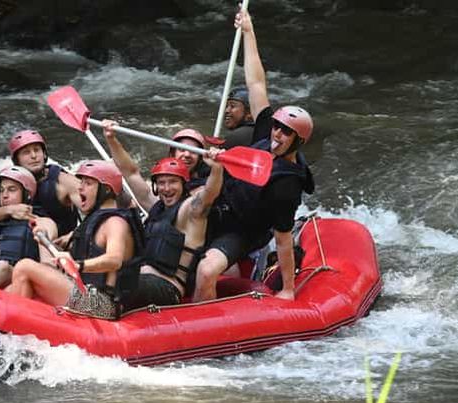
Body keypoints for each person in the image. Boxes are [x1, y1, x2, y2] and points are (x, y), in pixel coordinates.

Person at [193, 8, 315, 302]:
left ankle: (204, 324)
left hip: (244, 230)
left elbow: (283, 239)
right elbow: (256, 83)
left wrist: (288, 289)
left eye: (286, 133)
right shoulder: (264, 133)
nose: (277, 135)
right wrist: (248, 32)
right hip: (216, 208)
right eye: (276, 128)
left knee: (207, 271)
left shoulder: (287, 184)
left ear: (298, 141)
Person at [102, 120, 224, 308]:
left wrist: (217, 168)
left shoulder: (190, 211)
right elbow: (131, 172)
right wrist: (111, 139)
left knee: (116, 281)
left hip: (168, 289)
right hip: (140, 279)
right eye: (162, 182)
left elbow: (210, 193)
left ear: (183, 184)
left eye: (173, 182)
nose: (166, 188)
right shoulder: (156, 206)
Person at [6, 160, 144, 319]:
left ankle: (14, 324)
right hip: (85, 290)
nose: (80, 187)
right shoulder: (94, 220)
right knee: (12, 288)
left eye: (88, 183)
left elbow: (114, 260)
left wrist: (79, 266)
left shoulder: (115, 222)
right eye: (81, 182)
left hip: (104, 305)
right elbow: (71, 259)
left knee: (24, 267)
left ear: (106, 190)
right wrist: (45, 241)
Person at [0, 130, 82, 241]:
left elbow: (98, 213)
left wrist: (72, 235)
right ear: (17, 160)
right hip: (23, 243)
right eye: (26, 152)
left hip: (59, 246)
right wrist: (9, 210)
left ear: (44, 154)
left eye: (37, 150)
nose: (34, 156)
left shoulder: (64, 181)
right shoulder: (9, 182)